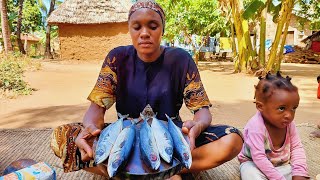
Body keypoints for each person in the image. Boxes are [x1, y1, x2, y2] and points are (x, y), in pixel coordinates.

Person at [50, 0, 243, 178]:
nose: (144, 33)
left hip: (170, 138)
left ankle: (128, 171)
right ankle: (162, 171)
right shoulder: (117, 58)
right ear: (130, 29)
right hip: (126, 138)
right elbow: (96, 109)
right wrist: (90, 127)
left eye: (152, 26)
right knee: (61, 137)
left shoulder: (180, 59)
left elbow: (202, 111)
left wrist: (197, 126)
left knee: (232, 140)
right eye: (137, 27)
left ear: (162, 29)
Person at [238, 72, 309, 180]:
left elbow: (296, 148)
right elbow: (259, 158)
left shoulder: (289, 125)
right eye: (282, 108)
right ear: (260, 107)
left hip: (282, 166)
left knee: (298, 172)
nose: (289, 115)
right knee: (250, 173)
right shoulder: (256, 127)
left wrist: (299, 173)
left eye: (294, 108)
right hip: (255, 165)